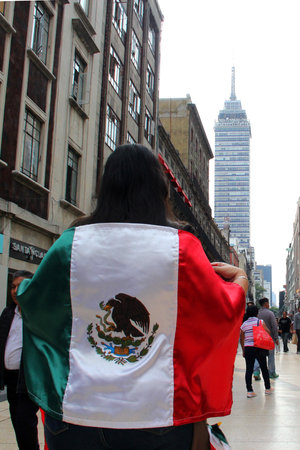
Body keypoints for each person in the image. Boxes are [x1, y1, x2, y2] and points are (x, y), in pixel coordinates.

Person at [16, 144, 247, 450]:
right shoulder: (181, 249)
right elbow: (220, 311)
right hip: (155, 416)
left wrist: (20, 289)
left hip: (76, 415)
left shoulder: (70, 245)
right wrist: (241, 281)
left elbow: (34, 303)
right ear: (160, 190)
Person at [0, 270, 40, 450]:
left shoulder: (39, 316)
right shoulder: (8, 313)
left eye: (20, 285)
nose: (15, 291)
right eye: (13, 286)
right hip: (10, 380)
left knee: (25, 421)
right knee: (17, 420)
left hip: (29, 380)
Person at [240, 305, 273, 398]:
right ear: (256, 313)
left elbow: (242, 339)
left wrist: (243, 350)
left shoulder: (244, 324)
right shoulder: (260, 322)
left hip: (248, 348)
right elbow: (268, 332)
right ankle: (267, 388)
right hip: (259, 347)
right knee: (263, 368)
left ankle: (249, 391)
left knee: (249, 369)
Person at [253, 297, 279, 380]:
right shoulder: (270, 313)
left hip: (259, 338)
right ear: (266, 304)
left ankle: (256, 371)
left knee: (258, 355)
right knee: (270, 355)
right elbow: (274, 326)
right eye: (268, 303)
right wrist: (276, 337)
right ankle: (271, 372)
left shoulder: (257, 313)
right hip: (269, 338)